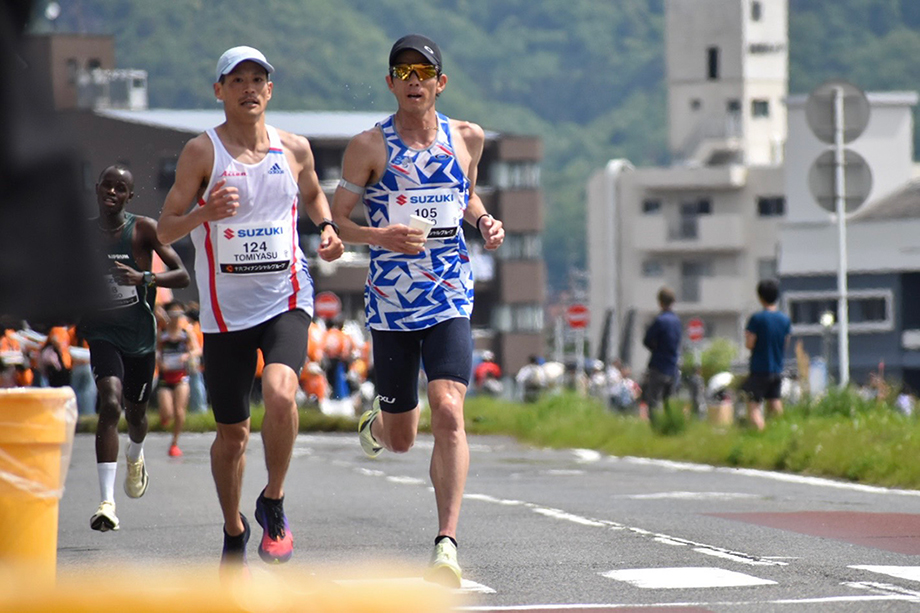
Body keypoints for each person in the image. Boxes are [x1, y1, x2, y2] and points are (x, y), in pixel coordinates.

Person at [156, 46, 344, 572]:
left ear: (270, 90)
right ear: (219, 91)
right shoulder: (201, 153)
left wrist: (327, 230)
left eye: (258, 80)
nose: (249, 89)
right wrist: (204, 213)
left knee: (283, 392)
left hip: (287, 294)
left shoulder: (295, 148)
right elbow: (165, 227)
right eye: (237, 80)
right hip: (224, 310)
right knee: (232, 434)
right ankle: (234, 529)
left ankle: (274, 501)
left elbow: (313, 197)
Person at [330, 34, 504, 587]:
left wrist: (484, 221)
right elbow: (337, 222)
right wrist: (379, 235)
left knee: (449, 409)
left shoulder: (467, 137)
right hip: (391, 303)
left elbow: (463, 193)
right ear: (390, 83)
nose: (413, 80)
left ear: (440, 82)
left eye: (423, 72)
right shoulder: (367, 146)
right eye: (402, 72)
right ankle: (377, 424)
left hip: (451, 292)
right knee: (403, 437)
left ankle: (446, 544)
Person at [77, 165, 190, 532]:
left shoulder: (142, 229)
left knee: (136, 414)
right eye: (107, 186)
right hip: (102, 332)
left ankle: (136, 455)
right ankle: (106, 502)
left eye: (120, 188)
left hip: (139, 338)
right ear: (97, 189)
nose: (112, 192)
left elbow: (182, 274)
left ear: (130, 196)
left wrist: (144, 278)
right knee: (110, 403)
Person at [742, 279, 791, 430]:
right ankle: (782, 433)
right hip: (777, 368)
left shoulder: (757, 319)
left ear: (760, 297)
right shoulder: (785, 319)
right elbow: (786, 343)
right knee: (775, 402)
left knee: (754, 406)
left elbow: (750, 343)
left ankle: (760, 434)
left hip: (759, 368)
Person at [156, 300, 200, 457]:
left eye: (179, 314)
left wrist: (186, 356)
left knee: (179, 410)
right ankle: (164, 419)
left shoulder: (185, 333)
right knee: (167, 412)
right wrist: (159, 361)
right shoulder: (162, 334)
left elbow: (197, 350)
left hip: (181, 376)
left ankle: (174, 443)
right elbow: (156, 351)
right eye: (173, 314)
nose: (176, 318)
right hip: (165, 377)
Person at [638, 287, 682, 421]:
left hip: (658, 365)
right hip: (673, 366)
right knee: (670, 400)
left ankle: (656, 427)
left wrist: (655, 348)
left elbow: (647, 340)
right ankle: (671, 426)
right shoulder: (677, 321)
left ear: (660, 302)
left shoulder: (660, 321)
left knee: (654, 401)